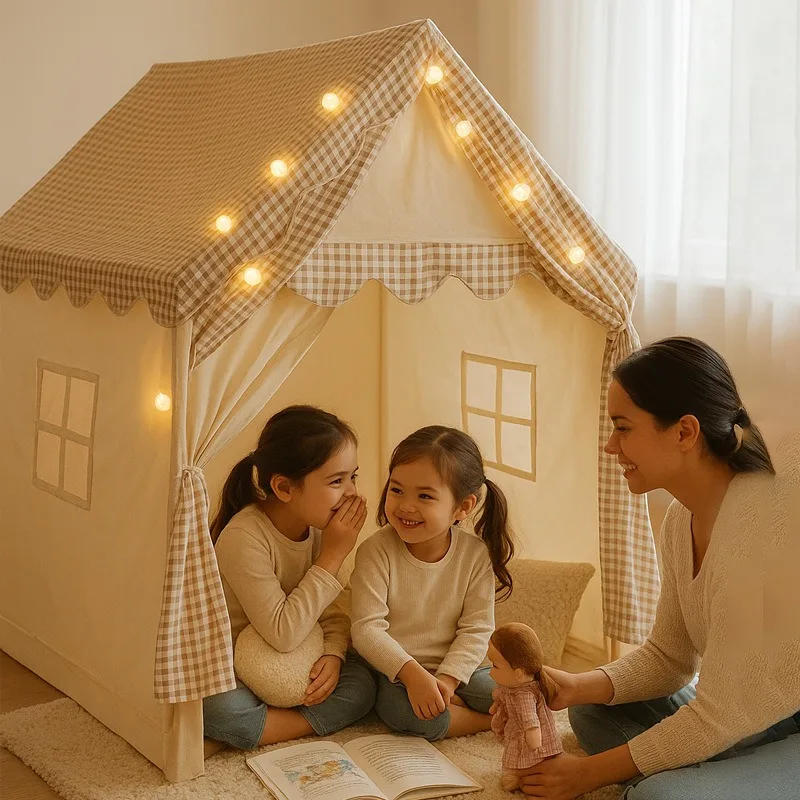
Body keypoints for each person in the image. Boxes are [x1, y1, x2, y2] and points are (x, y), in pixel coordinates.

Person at [519, 337, 800, 799]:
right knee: (592, 710)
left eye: (623, 428)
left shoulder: (761, 533)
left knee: (657, 795)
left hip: (774, 717)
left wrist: (587, 775)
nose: (611, 446)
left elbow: (715, 716)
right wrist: (573, 686)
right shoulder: (680, 518)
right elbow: (671, 659)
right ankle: (722, 769)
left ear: (685, 433)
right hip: (747, 709)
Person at [203, 405, 376, 750]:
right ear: (284, 487)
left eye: (352, 477)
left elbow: (331, 611)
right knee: (217, 708)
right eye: (336, 481)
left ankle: (266, 726)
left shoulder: (315, 528)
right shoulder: (243, 538)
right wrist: (332, 556)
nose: (352, 493)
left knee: (364, 685)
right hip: (238, 662)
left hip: (297, 656)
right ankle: (277, 724)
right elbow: (282, 632)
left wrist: (333, 654)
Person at [350, 425, 515, 741]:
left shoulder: (475, 555)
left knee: (516, 692)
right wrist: (414, 677)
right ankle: (488, 723)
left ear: (462, 507)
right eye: (397, 490)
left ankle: (478, 710)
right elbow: (366, 630)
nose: (406, 506)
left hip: (461, 668)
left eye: (425, 496)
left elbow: (477, 628)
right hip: (398, 672)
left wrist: (449, 680)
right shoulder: (375, 551)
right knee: (409, 715)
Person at [488, 623, 563, 790]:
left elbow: (530, 719)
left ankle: (519, 773)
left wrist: (534, 739)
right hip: (515, 725)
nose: (490, 672)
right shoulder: (510, 687)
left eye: (495, 666)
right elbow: (501, 699)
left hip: (525, 733)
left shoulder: (524, 695)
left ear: (518, 674)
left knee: (521, 752)